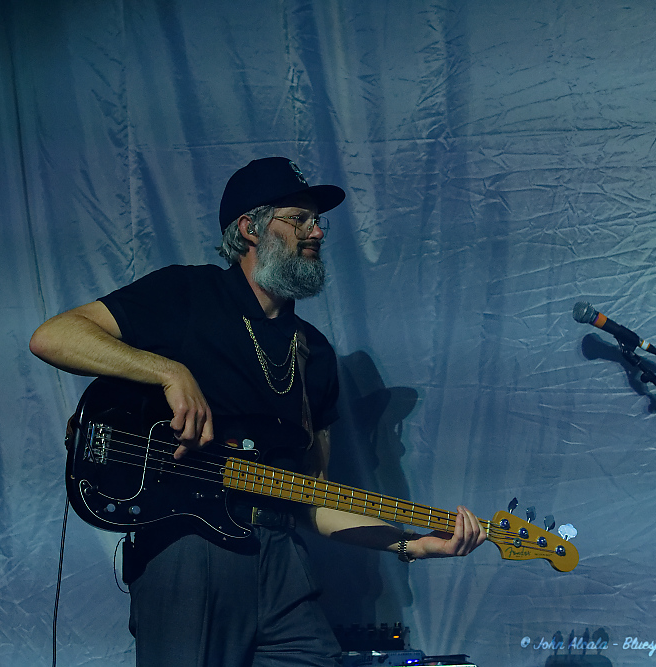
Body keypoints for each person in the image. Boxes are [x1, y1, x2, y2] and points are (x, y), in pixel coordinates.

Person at [29, 157, 485, 666]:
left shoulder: (313, 352)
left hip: (282, 557)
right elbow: (54, 336)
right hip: (190, 550)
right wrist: (168, 372)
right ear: (251, 228)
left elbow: (313, 499)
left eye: (318, 221)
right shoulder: (189, 292)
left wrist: (413, 545)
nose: (317, 232)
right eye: (300, 219)